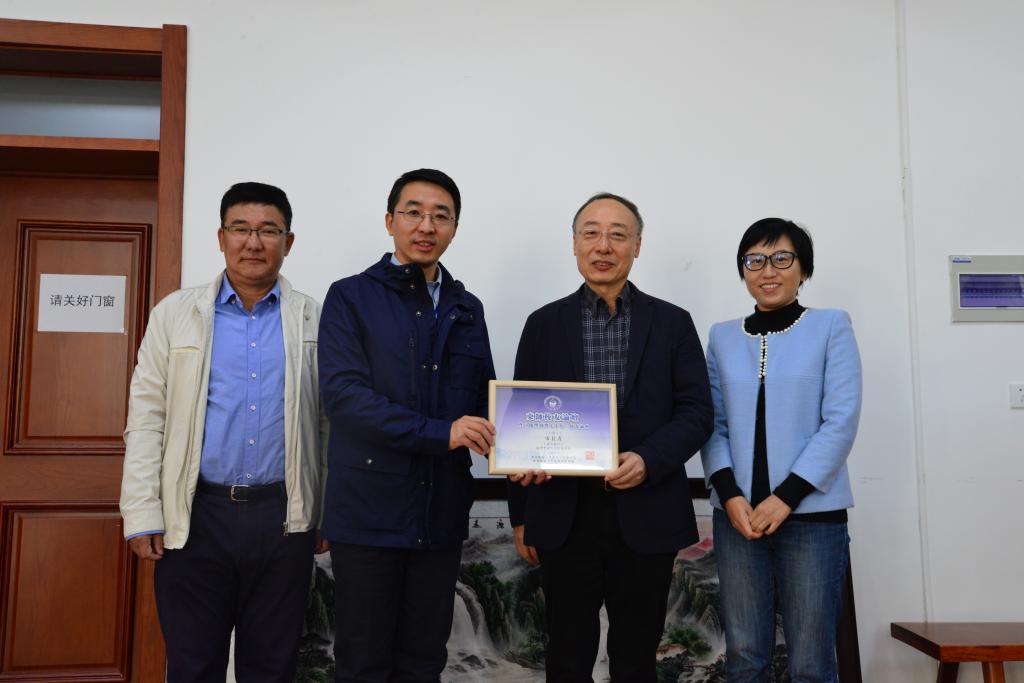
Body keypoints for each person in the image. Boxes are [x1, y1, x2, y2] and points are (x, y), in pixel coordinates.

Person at [120, 181, 328, 682]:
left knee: (272, 667)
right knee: (193, 665)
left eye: (268, 231)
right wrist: (142, 510)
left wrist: (326, 510)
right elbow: (147, 416)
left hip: (282, 518)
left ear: (288, 241)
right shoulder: (176, 314)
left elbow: (329, 423)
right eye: (241, 228)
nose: (253, 242)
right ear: (221, 237)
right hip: (197, 516)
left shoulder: (314, 318)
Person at [508, 192, 713, 682]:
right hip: (564, 514)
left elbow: (697, 412)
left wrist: (648, 459)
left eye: (618, 235)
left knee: (636, 658)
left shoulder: (673, 322)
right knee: (566, 656)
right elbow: (521, 419)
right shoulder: (542, 324)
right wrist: (521, 516)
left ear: (637, 246)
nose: (603, 246)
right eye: (591, 233)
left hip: (647, 511)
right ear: (574, 244)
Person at [318, 168, 495, 682]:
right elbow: (345, 398)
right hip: (368, 516)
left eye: (441, 216)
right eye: (413, 213)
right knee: (363, 663)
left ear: (455, 228)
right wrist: (444, 433)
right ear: (389, 221)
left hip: (440, 515)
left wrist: (525, 449)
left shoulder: (466, 308)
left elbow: (485, 400)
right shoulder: (350, 297)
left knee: (423, 662)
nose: (426, 226)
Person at [701, 217, 862, 682]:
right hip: (737, 518)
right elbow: (712, 423)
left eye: (781, 259)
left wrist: (785, 497)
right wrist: (730, 495)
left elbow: (840, 421)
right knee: (745, 657)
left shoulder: (831, 326)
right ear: (743, 270)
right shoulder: (722, 336)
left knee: (811, 662)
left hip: (811, 517)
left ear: (803, 269)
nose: (767, 271)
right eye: (755, 260)